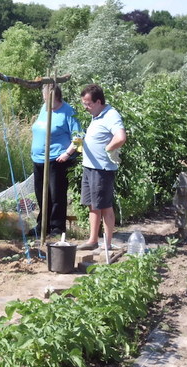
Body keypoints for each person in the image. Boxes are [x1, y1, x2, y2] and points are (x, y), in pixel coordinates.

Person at [77, 84, 127, 251]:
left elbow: (120, 137)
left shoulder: (111, 115)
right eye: (84, 103)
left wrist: (109, 148)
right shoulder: (97, 114)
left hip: (102, 169)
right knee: (92, 204)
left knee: (104, 205)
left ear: (98, 101)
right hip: (90, 167)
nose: (86, 107)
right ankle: (92, 240)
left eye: (88, 103)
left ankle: (106, 244)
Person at [29, 84, 82, 237]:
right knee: (41, 194)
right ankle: (42, 226)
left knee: (56, 195)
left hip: (57, 160)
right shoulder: (44, 109)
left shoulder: (68, 112)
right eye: (44, 99)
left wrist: (67, 153)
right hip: (38, 159)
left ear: (56, 97)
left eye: (47, 99)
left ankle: (57, 228)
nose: (45, 101)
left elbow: (79, 137)